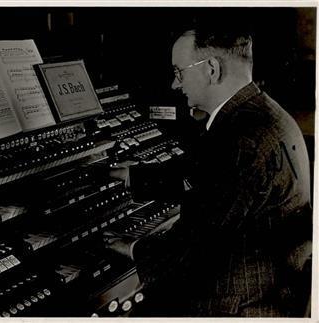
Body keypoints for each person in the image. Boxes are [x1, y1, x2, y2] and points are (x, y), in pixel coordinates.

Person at [107, 27, 312, 317]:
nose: (175, 84)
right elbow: (209, 174)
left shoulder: (242, 138)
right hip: (272, 287)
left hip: (240, 303)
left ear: (212, 69)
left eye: (179, 72)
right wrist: (132, 175)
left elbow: (197, 247)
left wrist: (135, 247)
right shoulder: (260, 113)